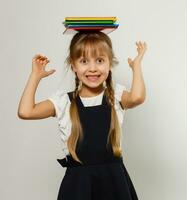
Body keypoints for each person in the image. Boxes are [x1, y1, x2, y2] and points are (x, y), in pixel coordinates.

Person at [17, 30, 147, 200]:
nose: (92, 68)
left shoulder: (115, 96)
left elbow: (137, 97)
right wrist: (35, 76)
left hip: (114, 182)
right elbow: (26, 112)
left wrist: (136, 67)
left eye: (100, 61)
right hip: (78, 185)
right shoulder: (64, 102)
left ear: (109, 64)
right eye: (84, 61)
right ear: (74, 66)